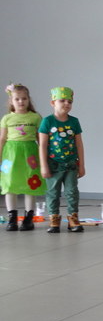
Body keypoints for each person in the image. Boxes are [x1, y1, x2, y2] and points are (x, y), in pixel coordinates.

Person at [38, 86, 85, 233]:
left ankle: (73, 218)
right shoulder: (47, 121)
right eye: (62, 100)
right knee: (53, 192)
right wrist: (43, 166)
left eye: (69, 101)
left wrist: (81, 165)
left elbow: (79, 144)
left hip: (71, 165)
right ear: (53, 103)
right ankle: (54, 218)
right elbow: (42, 145)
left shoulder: (74, 122)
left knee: (72, 192)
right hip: (53, 165)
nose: (66, 104)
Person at [0, 84, 45, 230]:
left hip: (30, 153)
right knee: (9, 185)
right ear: (11, 101)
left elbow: (40, 139)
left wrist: (44, 157)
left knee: (31, 185)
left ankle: (28, 219)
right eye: (17, 99)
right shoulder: (7, 118)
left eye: (24, 98)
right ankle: (12, 218)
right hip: (10, 154)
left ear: (28, 99)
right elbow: (2, 139)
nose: (21, 101)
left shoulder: (36, 117)